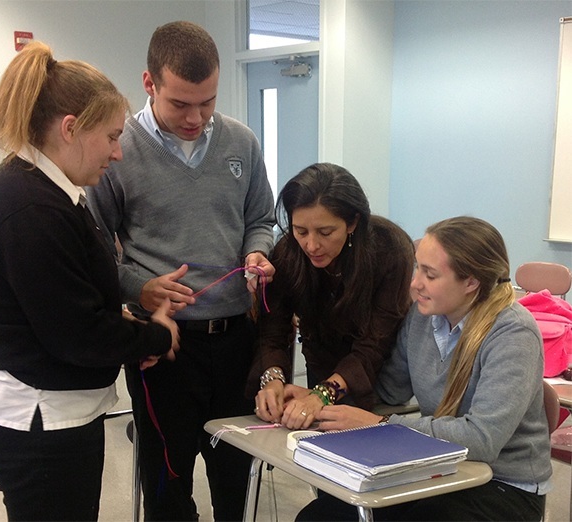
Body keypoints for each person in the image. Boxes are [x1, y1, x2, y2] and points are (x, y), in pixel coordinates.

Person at [0, 42, 179, 522]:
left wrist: (117, 313)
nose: (119, 153)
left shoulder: (48, 187)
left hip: (47, 414)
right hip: (37, 424)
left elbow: (64, 299)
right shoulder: (33, 208)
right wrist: (155, 333)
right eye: (112, 137)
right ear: (71, 128)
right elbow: (76, 335)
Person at [85, 21, 276, 521]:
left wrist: (257, 251)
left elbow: (261, 218)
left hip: (236, 339)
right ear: (149, 84)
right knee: (168, 481)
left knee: (234, 473)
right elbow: (96, 245)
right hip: (163, 346)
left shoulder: (241, 141)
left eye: (207, 101)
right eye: (180, 104)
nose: (196, 117)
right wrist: (139, 288)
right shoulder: (116, 148)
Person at [296, 216, 552, 522]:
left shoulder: (513, 333)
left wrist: (381, 425)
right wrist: (319, 399)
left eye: (429, 275)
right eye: (418, 268)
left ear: (471, 282)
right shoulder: (422, 319)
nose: (415, 284)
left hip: (503, 485)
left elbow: (483, 438)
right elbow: (388, 390)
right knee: (320, 517)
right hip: (441, 470)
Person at [248, 163, 415, 430]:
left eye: (325, 233)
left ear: (352, 222)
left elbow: (374, 344)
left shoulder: (389, 250)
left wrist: (323, 394)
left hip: (381, 374)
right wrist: (273, 378)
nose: (311, 245)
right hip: (323, 362)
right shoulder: (288, 253)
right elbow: (273, 331)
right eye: (300, 231)